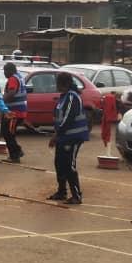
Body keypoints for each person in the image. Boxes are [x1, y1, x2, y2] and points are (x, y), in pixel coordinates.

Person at [47, 72, 89, 204]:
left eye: (58, 83)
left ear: (63, 83)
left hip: (73, 137)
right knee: (59, 163)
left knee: (69, 165)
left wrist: (56, 134)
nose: (56, 85)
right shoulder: (63, 97)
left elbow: (68, 118)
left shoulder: (72, 97)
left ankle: (76, 195)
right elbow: (58, 118)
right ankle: (62, 191)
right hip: (63, 136)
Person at [1, 62, 27, 163]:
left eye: (5, 71)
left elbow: (12, 92)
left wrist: (1, 101)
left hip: (15, 113)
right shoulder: (19, 77)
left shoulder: (12, 79)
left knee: (8, 133)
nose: (4, 73)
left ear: (10, 71)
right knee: (9, 133)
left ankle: (15, 154)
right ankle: (16, 152)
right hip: (18, 111)